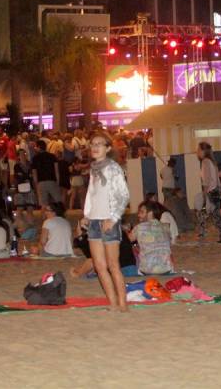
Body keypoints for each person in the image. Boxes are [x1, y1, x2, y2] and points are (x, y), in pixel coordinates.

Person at [83, 133, 131, 312]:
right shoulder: (93, 169)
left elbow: (124, 195)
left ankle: (122, 303)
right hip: (94, 221)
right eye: (93, 144)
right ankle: (112, 303)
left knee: (113, 264)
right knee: (99, 265)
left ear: (108, 148)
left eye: (100, 144)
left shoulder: (114, 168)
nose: (95, 147)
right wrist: (86, 215)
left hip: (109, 220)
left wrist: (114, 218)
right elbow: (91, 194)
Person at [70, 218, 137, 279]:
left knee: (93, 260)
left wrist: (80, 237)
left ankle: (78, 274)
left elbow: (91, 255)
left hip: (121, 270)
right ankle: (79, 271)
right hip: (132, 269)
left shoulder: (107, 234)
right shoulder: (119, 232)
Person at [197, 142, 221, 243]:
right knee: (216, 215)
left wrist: (204, 194)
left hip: (211, 191)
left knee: (213, 215)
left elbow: (207, 180)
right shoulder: (212, 161)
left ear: (203, 151)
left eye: (199, 149)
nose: (197, 152)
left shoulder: (205, 162)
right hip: (215, 190)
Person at [129, 201, 174, 275]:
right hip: (167, 269)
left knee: (129, 248)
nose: (138, 215)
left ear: (150, 213)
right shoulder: (166, 226)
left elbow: (126, 241)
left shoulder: (139, 227)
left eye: (141, 212)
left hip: (146, 270)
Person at [31, 140, 61, 208]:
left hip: (41, 182)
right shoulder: (52, 156)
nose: (35, 148)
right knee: (58, 202)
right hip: (52, 181)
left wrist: (36, 185)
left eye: (36, 147)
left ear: (39, 147)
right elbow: (56, 171)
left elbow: (34, 173)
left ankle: (45, 218)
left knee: (43, 204)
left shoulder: (35, 158)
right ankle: (59, 217)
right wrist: (58, 182)